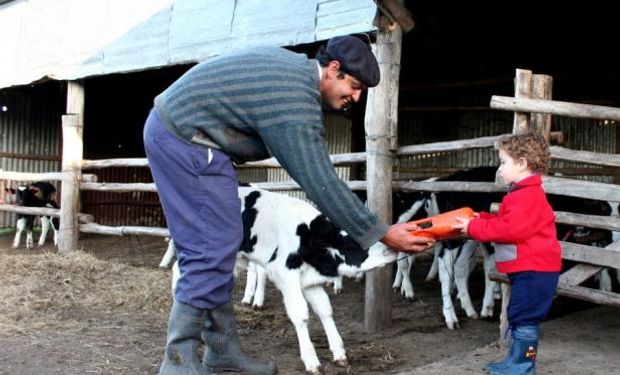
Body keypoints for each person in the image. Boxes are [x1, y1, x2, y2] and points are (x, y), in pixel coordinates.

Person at [143, 35, 434, 375]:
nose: (355, 97)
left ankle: (221, 350)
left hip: (205, 143)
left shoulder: (297, 79)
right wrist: (381, 233)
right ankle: (177, 362)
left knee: (223, 242)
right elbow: (319, 181)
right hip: (182, 138)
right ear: (333, 69)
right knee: (208, 248)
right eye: (354, 86)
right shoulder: (294, 100)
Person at [453, 132, 561, 375]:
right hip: (530, 270)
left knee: (524, 319)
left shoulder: (528, 196)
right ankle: (515, 362)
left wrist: (474, 227)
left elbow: (510, 229)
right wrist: (483, 218)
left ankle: (523, 366)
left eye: (504, 162)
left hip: (536, 270)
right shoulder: (521, 193)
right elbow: (507, 221)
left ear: (522, 163)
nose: (500, 169)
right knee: (518, 316)